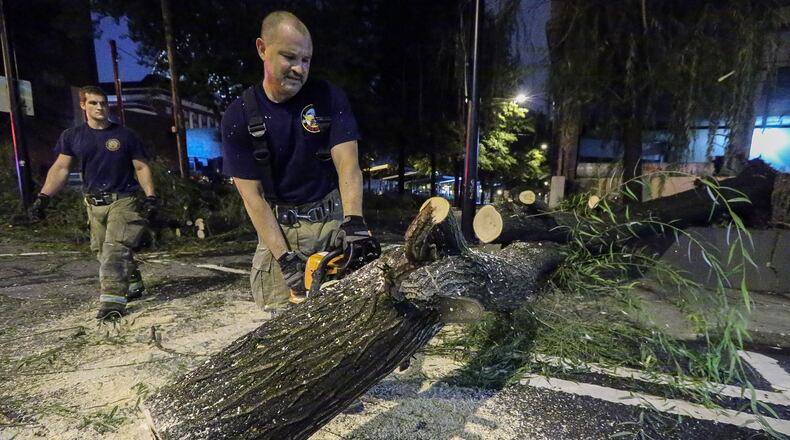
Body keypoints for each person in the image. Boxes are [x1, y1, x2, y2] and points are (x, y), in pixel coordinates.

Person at [221, 11, 378, 316]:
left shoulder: (328, 98)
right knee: (284, 330)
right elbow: (252, 198)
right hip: (281, 229)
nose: (299, 68)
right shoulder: (238, 116)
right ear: (262, 49)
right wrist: (284, 259)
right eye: (289, 57)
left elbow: (348, 164)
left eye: (306, 60)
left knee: (349, 316)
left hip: (334, 221)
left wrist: (355, 223)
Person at [29, 85, 158, 319]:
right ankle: (133, 282)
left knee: (114, 251)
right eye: (93, 103)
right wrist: (43, 198)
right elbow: (60, 169)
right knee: (101, 251)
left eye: (103, 103)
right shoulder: (73, 136)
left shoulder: (125, 135)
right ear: (83, 105)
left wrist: (151, 197)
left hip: (123, 200)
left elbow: (141, 166)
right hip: (93, 203)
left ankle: (112, 305)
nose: (100, 107)